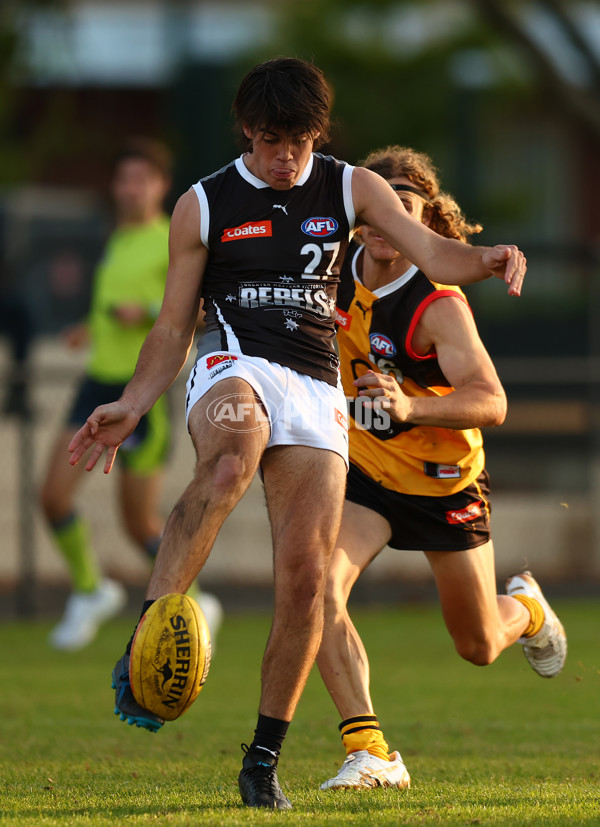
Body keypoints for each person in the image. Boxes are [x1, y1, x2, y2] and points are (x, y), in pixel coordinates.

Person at [67, 58, 526, 811]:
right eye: (273, 140)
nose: (286, 158)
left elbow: (432, 251)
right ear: (248, 130)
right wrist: (134, 399)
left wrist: (490, 257)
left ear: (320, 134)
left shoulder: (350, 186)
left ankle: (261, 759)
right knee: (229, 463)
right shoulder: (203, 203)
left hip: (315, 387)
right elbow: (173, 322)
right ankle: (147, 639)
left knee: (309, 579)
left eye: (301, 142)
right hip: (235, 361)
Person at [315, 145, 567, 791]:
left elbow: (493, 399)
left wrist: (408, 402)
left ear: (424, 219)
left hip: (441, 483)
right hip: (365, 475)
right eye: (377, 202)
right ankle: (371, 750)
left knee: (479, 644)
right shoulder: (333, 270)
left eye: (403, 206)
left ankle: (527, 610)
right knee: (315, 588)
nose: (384, 217)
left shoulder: (439, 303)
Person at [40, 137, 222, 651]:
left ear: (161, 186)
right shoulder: (118, 240)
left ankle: (197, 599)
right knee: (51, 497)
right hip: (95, 383)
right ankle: (91, 590)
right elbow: (112, 308)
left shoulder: (174, 236)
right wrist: (88, 327)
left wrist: (142, 312)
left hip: (141, 391)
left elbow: (196, 308)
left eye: (141, 179)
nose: (130, 189)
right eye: (123, 179)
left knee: (135, 520)